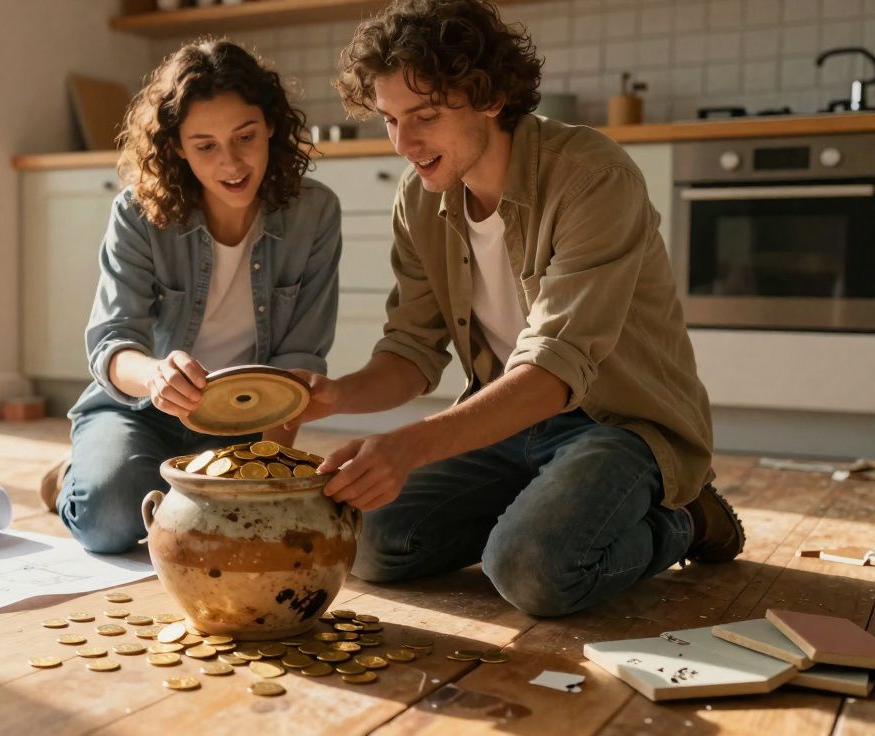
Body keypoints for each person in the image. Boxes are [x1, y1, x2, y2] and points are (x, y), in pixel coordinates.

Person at [292, 0, 743, 616]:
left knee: (533, 570)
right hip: (509, 422)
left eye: (423, 115)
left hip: (621, 425)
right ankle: (546, 511)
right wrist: (334, 395)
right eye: (390, 120)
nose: (405, 143)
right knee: (369, 543)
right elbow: (411, 351)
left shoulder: (592, 175)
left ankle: (684, 519)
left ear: (490, 97)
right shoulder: (421, 198)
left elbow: (554, 372)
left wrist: (409, 446)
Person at [47, 39, 343, 554]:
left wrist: (266, 473)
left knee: (246, 527)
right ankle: (71, 474)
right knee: (111, 520)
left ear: (271, 124)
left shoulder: (315, 213)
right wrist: (157, 375)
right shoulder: (136, 213)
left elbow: (300, 361)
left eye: (245, 136)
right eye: (205, 145)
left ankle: (155, 480)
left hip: (244, 421)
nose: (231, 162)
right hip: (135, 410)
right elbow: (113, 344)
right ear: (178, 147)